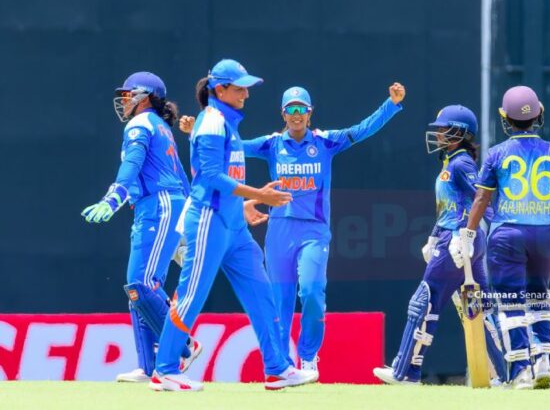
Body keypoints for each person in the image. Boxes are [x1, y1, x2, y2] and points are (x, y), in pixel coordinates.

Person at [151, 59, 317, 392]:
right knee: (191, 295)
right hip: (208, 222)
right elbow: (211, 177)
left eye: (246, 88)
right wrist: (259, 194)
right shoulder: (213, 121)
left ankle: (278, 368)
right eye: (240, 88)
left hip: (233, 225)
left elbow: (224, 179)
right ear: (220, 89)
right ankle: (164, 370)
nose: (246, 94)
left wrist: (243, 206)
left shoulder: (224, 122)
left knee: (261, 292)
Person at [238, 83, 405, 378]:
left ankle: (308, 356)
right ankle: (281, 366)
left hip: (314, 231)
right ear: (283, 114)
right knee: (280, 301)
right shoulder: (272, 145)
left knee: (312, 292)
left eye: (301, 109)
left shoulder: (325, 142)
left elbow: (361, 130)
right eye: (291, 109)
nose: (296, 114)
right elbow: (236, 147)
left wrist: (390, 105)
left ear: (310, 113)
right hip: (280, 232)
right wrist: (199, 135)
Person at [456, 86, 550, 389]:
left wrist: (467, 233)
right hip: (544, 235)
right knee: (538, 294)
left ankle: (520, 371)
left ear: (505, 118)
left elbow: (481, 198)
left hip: (507, 234)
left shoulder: (496, 154)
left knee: (510, 301)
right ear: (538, 115)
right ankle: (543, 359)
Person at [372, 105, 505, 386]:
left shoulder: (462, 163)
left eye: (444, 129)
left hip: (457, 242)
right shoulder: (450, 161)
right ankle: (503, 376)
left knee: (425, 299)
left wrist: (469, 233)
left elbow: (481, 200)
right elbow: (448, 208)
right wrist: (434, 236)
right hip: (457, 240)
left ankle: (406, 371)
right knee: (478, 307)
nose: (439, 134)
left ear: (460, 132)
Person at [81, 72, 200, 383]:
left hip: (160, 204)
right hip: (159, 206)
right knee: (141, 287)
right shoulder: (160, 126)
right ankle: (148, 367)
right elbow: (180, 175)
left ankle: (184, 346)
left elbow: (131, 165)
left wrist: (113, 197)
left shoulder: (141, 123)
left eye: (128, 94)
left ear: (146, 97)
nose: (123, 101)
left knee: (141, 284)